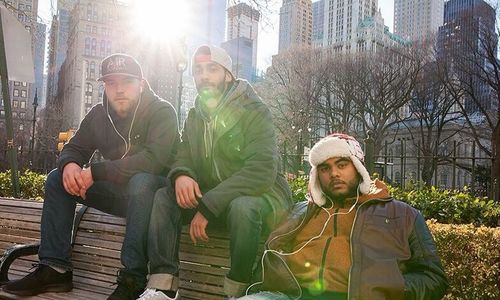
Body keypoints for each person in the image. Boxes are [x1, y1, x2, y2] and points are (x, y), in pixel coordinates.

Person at [2, 53, 180, 300]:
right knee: (57, 179)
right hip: (121, 195)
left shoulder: (161, 111)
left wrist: (96, 172)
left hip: (155, 199)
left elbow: (153, 161)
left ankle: (133, 279)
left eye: (126, 82)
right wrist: (71, 166)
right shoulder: (99, 114)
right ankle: (55, 268)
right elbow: (74, 147)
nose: (119, 90)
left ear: (141, 83)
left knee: (142, 181)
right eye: (111, 83)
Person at [135, 45, 293, 300]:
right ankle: (163, 287)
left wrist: (208, 206)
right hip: (217, 203)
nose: (204, 76)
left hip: (261, 197)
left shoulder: (255, 110)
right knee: (164, 197)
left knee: (244, 206)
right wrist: (182, 174)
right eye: (198, 70)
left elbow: (261, 170)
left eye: (212, 69)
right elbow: (183, 153)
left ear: (228, 75)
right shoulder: (195, 115)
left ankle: (239, 291)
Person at [239, 133, 449, 300]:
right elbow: (270, 255)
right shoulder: (300, 212)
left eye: (342, 165)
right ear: (317, 176)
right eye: (325, 168)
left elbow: (433, 278)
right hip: (286, 296)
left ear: (358, 168)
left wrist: (389, 288)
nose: (334, 174)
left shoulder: (402, 214)